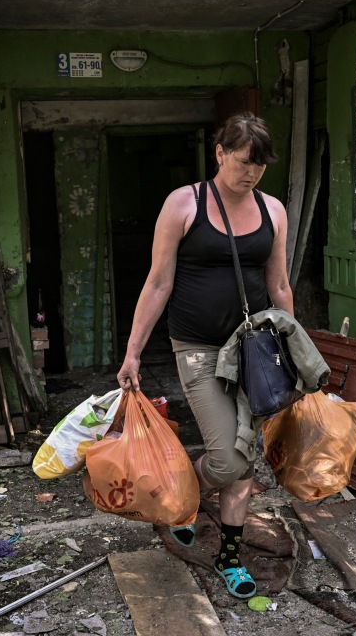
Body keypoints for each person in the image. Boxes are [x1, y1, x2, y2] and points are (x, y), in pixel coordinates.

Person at [116, 112, 292, 599]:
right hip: (197, 348)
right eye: (242, 161)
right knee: (229, 458)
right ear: (219, 153)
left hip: (255, 351)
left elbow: (278, 284)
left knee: (242, 463)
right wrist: (133, 353)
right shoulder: (184, 204)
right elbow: (157, 283)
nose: (251, 173)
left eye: (259, 165)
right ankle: (184, 489)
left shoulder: (273, 210)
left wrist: (294, 348)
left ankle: (229, 559)